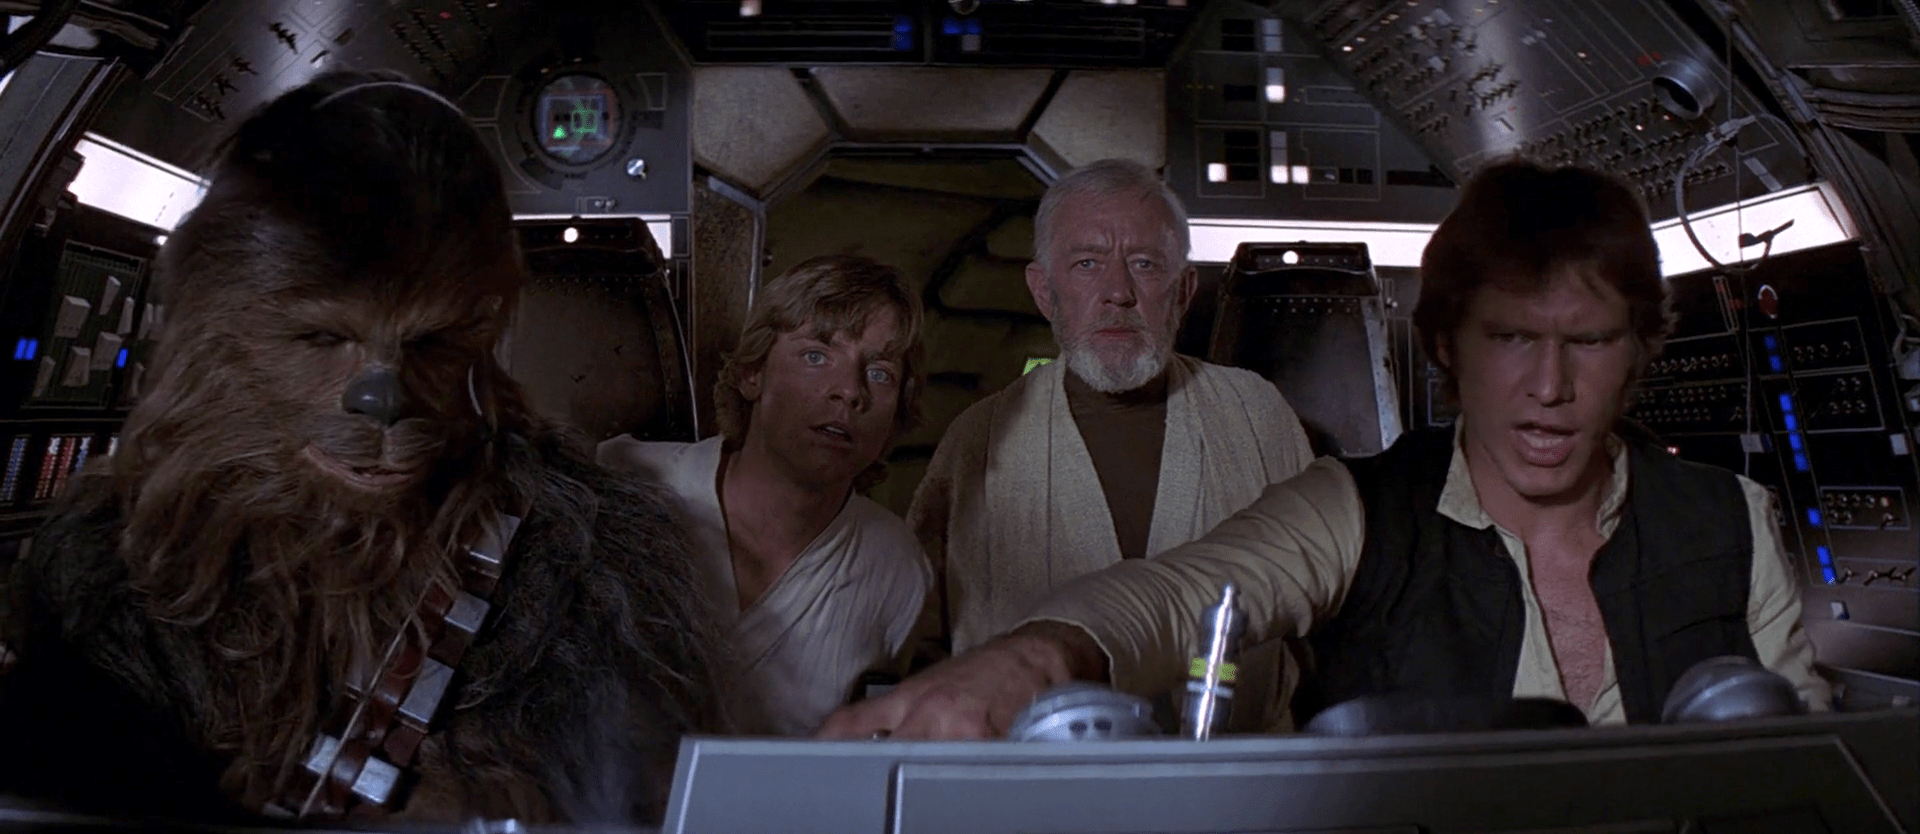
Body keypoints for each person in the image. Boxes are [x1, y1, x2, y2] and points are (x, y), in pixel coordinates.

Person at [819, 159, 1830, 740]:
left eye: (1592, 342)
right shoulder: (1358, 508)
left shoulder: (1734, 523)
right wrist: (1034, 660)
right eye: (1510, 339)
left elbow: (1823, 773)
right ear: (1447, 347)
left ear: (1641, 350)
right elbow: (1187, 590)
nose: (1549, 386)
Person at [0, 71, 726, 825]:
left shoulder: (586, 562)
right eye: (322, 337)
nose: (384, 397)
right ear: (212, 331)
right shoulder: (106, 555)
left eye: (431, 343)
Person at [907, 158, 1315, 730]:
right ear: (1044, 291)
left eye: (1145, 264)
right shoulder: (980, 439)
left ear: (1183, 291)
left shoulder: (1257, 415)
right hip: (1034, 776)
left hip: (1235, 772)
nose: (1118, 293)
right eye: (1087, 264)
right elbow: (924, 643)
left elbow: (1319, 618)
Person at [598, 255, 931, 736]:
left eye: (880, 373)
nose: (849, 392)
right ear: (753, 373)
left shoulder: (895, 566)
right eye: (816, 356)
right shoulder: (624, 484)